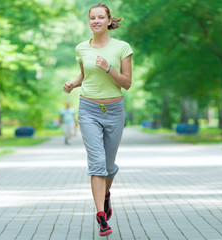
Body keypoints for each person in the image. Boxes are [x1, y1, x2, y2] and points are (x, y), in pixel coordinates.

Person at [63, 3, 133, 237]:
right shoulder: (81, 48)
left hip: (114, 110)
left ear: (108, 20)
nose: (96, 21)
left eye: (100, 17)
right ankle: (101, 216)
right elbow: (85, 74)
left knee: (109, 167)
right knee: (96, 163)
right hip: (88, 110)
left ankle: (105, 194)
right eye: (92, 18)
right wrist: (73, 83)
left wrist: (108, 68)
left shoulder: (122, 47)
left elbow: (126, 83)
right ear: (89, 21)